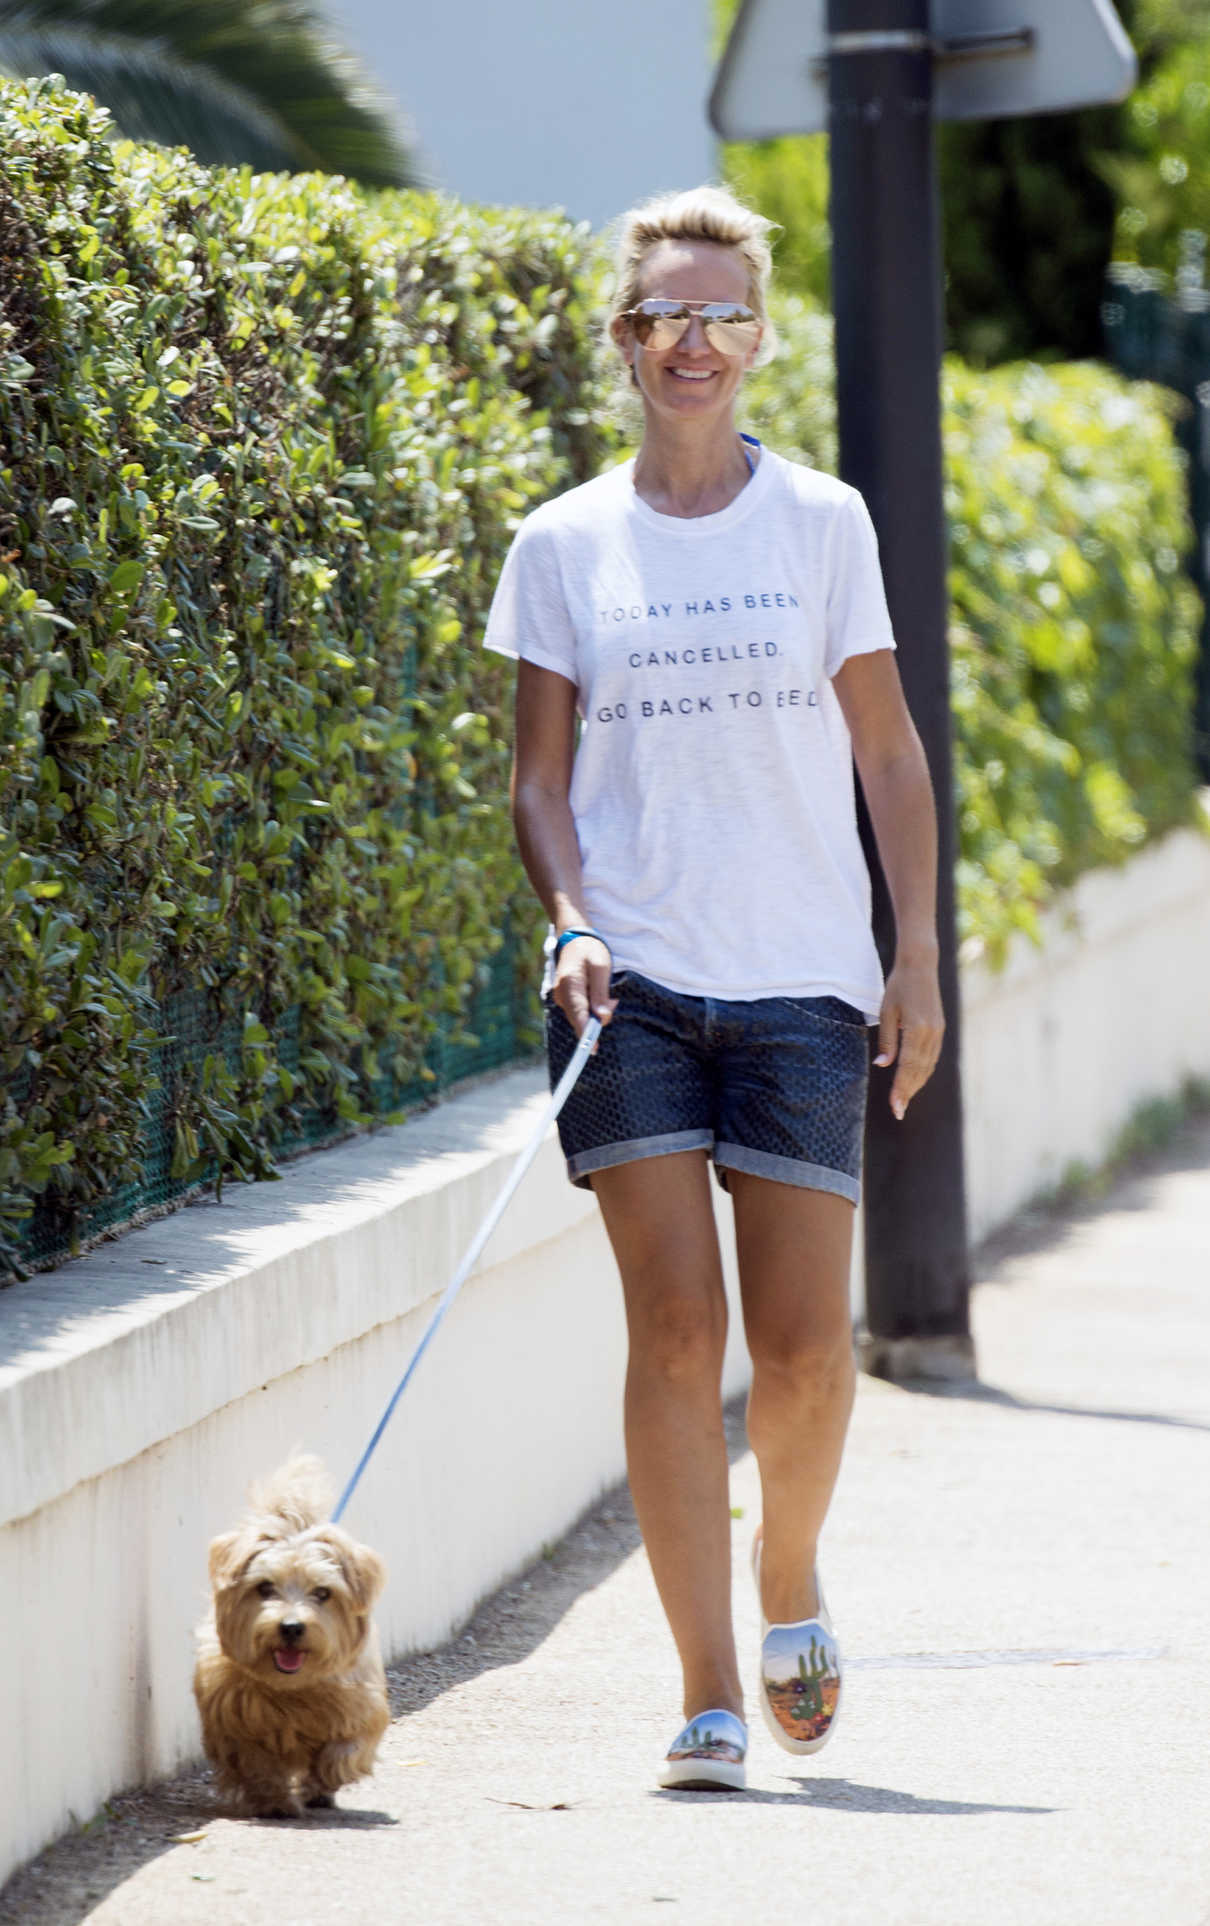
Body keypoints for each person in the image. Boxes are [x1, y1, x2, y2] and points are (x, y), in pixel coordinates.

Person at [484, 184, 944, 1791]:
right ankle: (701, 1694)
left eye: (723, 314)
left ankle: (788, 1574)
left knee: (808, 1350)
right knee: (677, 1332)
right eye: (665, 315)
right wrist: (566, 916)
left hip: (807, 978)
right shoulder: (560, 543)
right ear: (623, 341)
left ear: (759, 338)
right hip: (634, 984)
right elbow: (539, 781)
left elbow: (886, 751)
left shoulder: (821, 524)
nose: (695, 341)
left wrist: (916, 956)